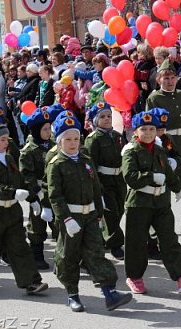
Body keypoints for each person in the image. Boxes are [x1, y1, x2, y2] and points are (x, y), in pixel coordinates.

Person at [47, 113, 132, 312]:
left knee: (96, 252)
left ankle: (109, 293)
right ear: (59, 141)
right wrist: (66, 219)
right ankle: (72, 294)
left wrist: (100, 211)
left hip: (91, 216)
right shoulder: (56, 165)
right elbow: (55, 196)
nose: (72, 143)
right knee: (69, 256)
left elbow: (95, 187)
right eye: (67, 139)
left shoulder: (85, 160)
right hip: (71, 218)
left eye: (76, 138)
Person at [121, 110, 181, 294]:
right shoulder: (130, 152)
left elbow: (168, 173)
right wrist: (150, 177)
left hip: (161, 203)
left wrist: (176, 186)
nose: (148, 133)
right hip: (139, 204)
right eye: (144, 129)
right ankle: (135, 277)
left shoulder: (159, 149)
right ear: (135, 132)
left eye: (152, 129)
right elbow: (130, 177)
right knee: (136, 243)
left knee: (169, 239)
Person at [0, 114, 48, 294]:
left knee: (19, 246)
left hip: (12, 210)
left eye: (7, 138)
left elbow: (19, 180)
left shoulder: (9, 158)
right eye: (2, 139)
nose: (7, 142)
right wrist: (12, 192)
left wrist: (32, 198)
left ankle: (31, 282)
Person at [146, 59, 181, 238]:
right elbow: (150, 125)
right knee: (166, 187)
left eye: (172, 77)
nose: (169, 81)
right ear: (159, 80)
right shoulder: (154, 98)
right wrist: (158, 147)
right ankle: (166, 226)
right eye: (166, 78)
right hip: (166, 145)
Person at [84, 102, 126, 260]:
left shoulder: (116, 136)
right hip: (104, 179)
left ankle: (105, 236)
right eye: (102, 116)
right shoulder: (93, 139)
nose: (107, 119)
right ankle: (115, 244)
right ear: (95, 120)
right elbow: (91, 164)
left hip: (119, 179)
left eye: (109, 115)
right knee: (111, 212)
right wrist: (97, 186)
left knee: (120, 208)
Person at [19, 108, 55, 270]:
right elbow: (26, 176)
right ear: (35, 131)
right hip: (39, 192)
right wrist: (35, 195)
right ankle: (37, 255)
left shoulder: (55, 146)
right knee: (37, 226)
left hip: (55, 192)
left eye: (49, 128)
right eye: (44, 129)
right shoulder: (29, 151)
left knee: (59, 223)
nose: (48, 132)